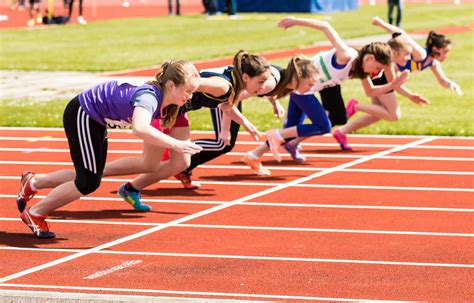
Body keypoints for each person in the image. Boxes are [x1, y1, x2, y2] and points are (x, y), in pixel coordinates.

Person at [15, 60, 202, 238]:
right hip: (83, 113)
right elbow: (140, 128)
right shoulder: (150, 97)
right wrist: (176, 144)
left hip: (94, 119)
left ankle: (33, 182)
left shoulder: (163, 100)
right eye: (188, 91)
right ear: (171, 85)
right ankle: (35, 212)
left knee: (90, 176)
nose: (190, 97)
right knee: (87, 182)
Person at [243, 17, 408, 174]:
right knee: (323, 126)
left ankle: (254, 155)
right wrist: (295, 21)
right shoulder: (346, 56)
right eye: (378, 67)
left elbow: (370, 92)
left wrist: (393, 85)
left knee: (291, 131)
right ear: (370, 58)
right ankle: (274, 134)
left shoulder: (360, 70)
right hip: (302, 86)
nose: (377, 72)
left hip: (303, 89)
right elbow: (325, 26)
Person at [114, 50, 271, 205]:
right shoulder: (223, 86)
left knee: (181, 163)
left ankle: (131, 189)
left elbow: (225, 106)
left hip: (179, 112)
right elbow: (187, 83)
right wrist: (154, 93)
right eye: (261, 81)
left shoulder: (233, 83)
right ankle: (95, 173)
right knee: (148, 164)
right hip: (164, 110)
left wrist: (245, 123)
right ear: (245, 77)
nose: (264, 87)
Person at [332, 16, 463, 150]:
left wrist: (451, 84)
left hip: (384, 76)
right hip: (380, 75)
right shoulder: (420, 55)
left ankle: (341, 132)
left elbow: (442, 80)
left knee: (377, 114)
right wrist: (381, 24)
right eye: (445, 51)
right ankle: (355, 106)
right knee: (393, 115)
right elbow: (401, 34)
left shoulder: (433, 63)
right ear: (435, 49)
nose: (447, 55)